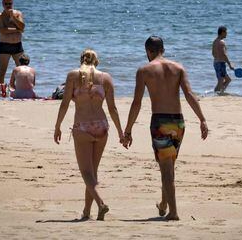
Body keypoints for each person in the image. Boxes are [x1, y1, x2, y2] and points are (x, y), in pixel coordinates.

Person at [123, 36, 208, 221]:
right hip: (178, 122)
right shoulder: (178, 68)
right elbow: (190, 95)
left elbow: (136, 103)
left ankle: (174, 212)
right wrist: (202, 119)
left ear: (148, 51)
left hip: (160, 122)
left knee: (166, 168)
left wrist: (128, 130)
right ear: (163, 49)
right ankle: (163, 204)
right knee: (168, 165)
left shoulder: (144, 70)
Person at [54, 49, 125, 221]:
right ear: (97, 61)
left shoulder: (73, 76)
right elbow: (112, 108)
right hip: (102, 126)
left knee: (86, 172)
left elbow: (64, 104)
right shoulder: (106, 78)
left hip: (82, 127)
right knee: (93, 172)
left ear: (81, 60)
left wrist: (57, 126)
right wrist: (121, 133)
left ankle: (100, 204)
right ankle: (87, 211)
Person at [0, 0, 25, 84]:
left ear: (12, 4)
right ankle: (0, 91)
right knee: (2, 71)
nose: (8, 5)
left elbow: (22, 27)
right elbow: (2, 30)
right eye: (6, 4)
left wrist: (13, 18)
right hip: (5, 46)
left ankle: (20, 89)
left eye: (10, 3)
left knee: (22, 70)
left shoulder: (18, 14)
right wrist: (17, 29)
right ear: (3, 4)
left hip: (17, 46)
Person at [212, 26, 234, 94]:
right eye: (226, 32)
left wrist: (217, 58)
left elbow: (212, 53)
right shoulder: (221, 42)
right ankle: (217, 93)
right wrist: (230, 64)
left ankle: (220, 92)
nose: (226, 34)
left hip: (216, 63)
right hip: (220, 63)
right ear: (222, 32)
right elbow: (224, 54)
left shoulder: (215, 41)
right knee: (222, 81)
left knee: (227, 80)